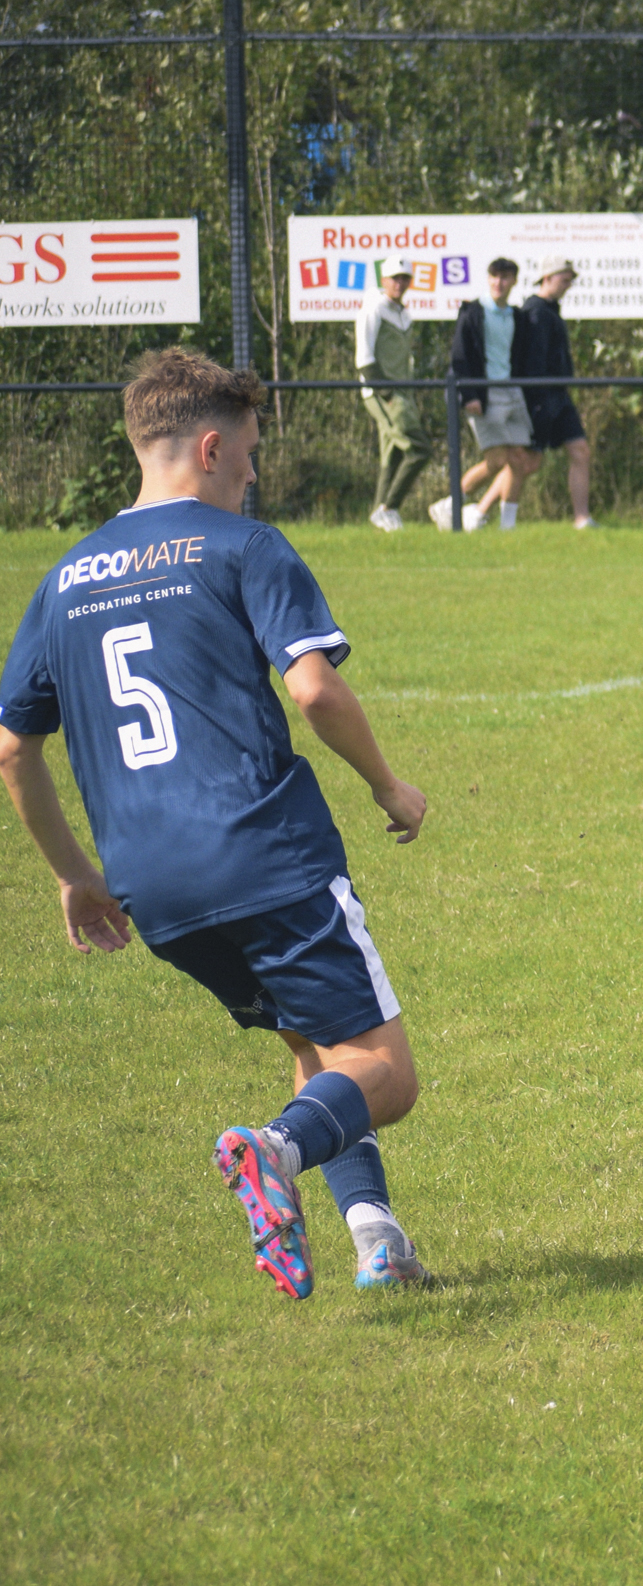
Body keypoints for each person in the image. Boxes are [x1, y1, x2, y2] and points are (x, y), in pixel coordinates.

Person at [0, 347, 436, 1298]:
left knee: (318, 1047)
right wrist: (387, 785)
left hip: (150, 885)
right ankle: (271, 1151)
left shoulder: (63, 580)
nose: (251, 473)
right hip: (263, 852)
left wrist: (74, 874)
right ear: (208, 447)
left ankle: (378, 1239)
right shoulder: (244, 546)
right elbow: (314, 689)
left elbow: (11, 748)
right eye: (247, 454)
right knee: (386, 1072)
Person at [436, 255, 541, 531]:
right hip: (484, 395)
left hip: (512, 392)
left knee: (519, 460)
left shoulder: (517, 316)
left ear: (514, 281)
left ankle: (508, 526)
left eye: (505, 277)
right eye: (494, 277)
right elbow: (460, 358)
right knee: (496, 461)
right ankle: (450, 504)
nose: (499, 283)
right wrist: (470, 394)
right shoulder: (472, 312)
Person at [514, 255, 597, 529]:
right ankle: (475, 510)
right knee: (528, 463)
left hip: (559, 395)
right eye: (564, 279)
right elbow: (533, 362)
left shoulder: (551, 310)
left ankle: (582, 519)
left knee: (580, 451)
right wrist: (537, 400)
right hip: (540, 397)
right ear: (547, 278)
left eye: (570, 280)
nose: (568, 285)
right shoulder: (535, 311)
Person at [357, 255, 433, 532]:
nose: (399, 283)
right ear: (384, 280)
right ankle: (389, 508)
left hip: (403, 393)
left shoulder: (404, 314)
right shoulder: (373, 308)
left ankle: (381, 514)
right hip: (383, 393)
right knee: (419, 449)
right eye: (394, 278)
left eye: (404, 278)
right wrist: (386, 393)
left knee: (394, 455)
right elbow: (364, 357)